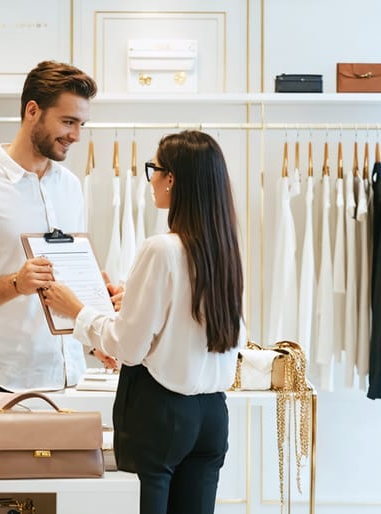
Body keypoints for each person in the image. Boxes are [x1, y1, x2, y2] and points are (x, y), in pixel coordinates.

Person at [44, 130, 244, 514]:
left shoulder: (162, 248)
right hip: (213, 417)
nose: (150, 177)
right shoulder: (225, 249)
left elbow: (129, 348)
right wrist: (131, 303)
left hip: (162, 414)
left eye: (154, 168)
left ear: (171, 178)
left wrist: (78, 310)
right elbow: (192, 322)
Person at [0, 60, 117, 393]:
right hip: (4, 384)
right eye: (68, 121)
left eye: (81, 124)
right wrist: (16, 283)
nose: (76, 135)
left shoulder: (71, 187)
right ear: (33, 111)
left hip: (72, 380)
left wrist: (96, 332)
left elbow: (66, 283)